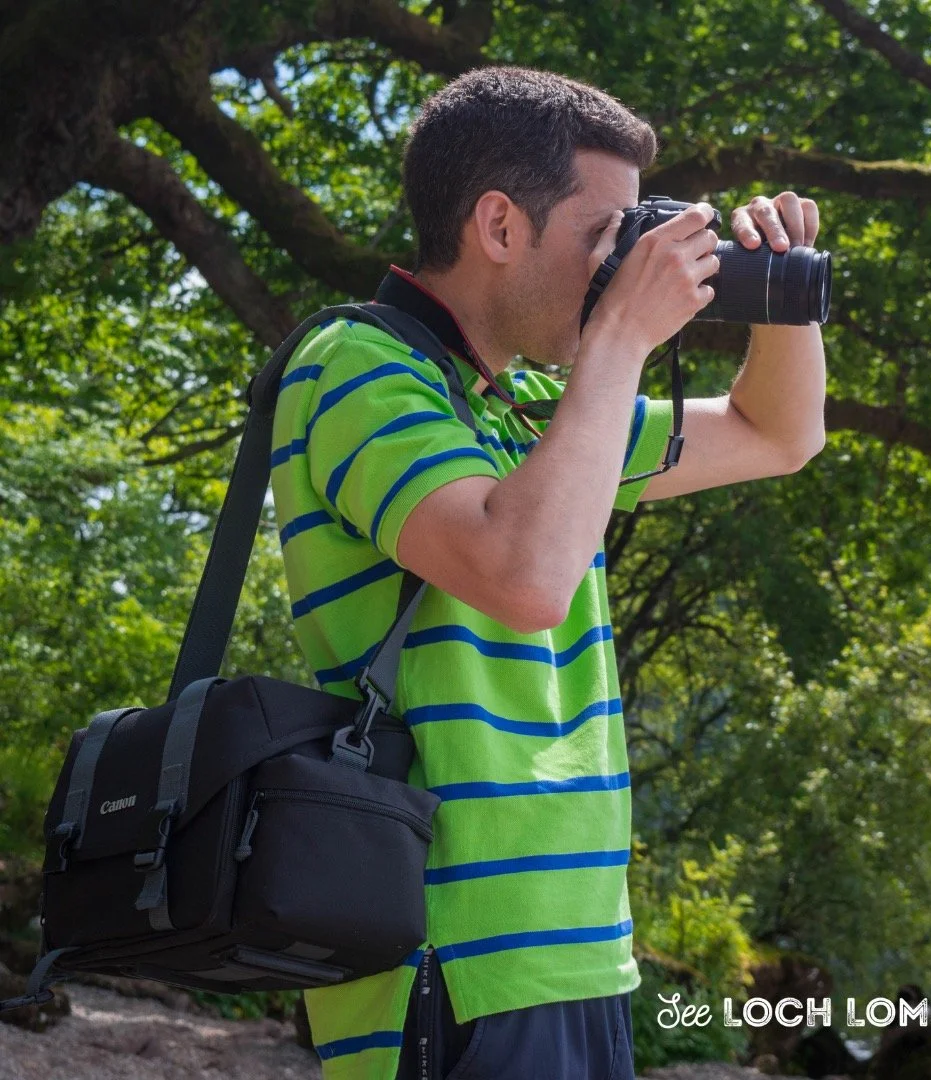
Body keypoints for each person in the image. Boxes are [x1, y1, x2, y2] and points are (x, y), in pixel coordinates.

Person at [269, 65, 826, 1080]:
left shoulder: (533, 408)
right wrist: (621, 337)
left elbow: (775, 433)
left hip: (579, 956)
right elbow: (524, 580)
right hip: (447, 960)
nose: (627, 269)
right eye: (606, 237)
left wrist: (783, 290)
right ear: (498, 225)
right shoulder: (353, 367)